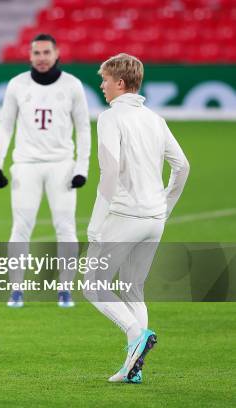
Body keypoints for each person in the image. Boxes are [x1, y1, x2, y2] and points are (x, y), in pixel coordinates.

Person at [84, 53, 189, 383]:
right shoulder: (154, 118)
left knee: (93, 285)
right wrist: (165, 207)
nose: (101, 85)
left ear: (120, 83)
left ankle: (135, 335)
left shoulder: (110, 118)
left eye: (104, 79)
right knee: (132, 288)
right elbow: (182, 167)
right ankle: (133, 369)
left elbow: (110, 170)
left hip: (124, 216)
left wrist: (96, 221)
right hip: (154, 219)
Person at [0, 33, 91, 308]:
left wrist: (82, 166)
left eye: (47, 53)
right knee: (21, 227)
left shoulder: (72, 85)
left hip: (62, 165)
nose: (42, 58)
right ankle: (16, 290)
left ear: (57, 54)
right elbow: (5, 126)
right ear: (30, 56)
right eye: (37, 53)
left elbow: (83, 128)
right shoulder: (17, 85)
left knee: (65, 227)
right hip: (26, 164)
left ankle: (65, 290)